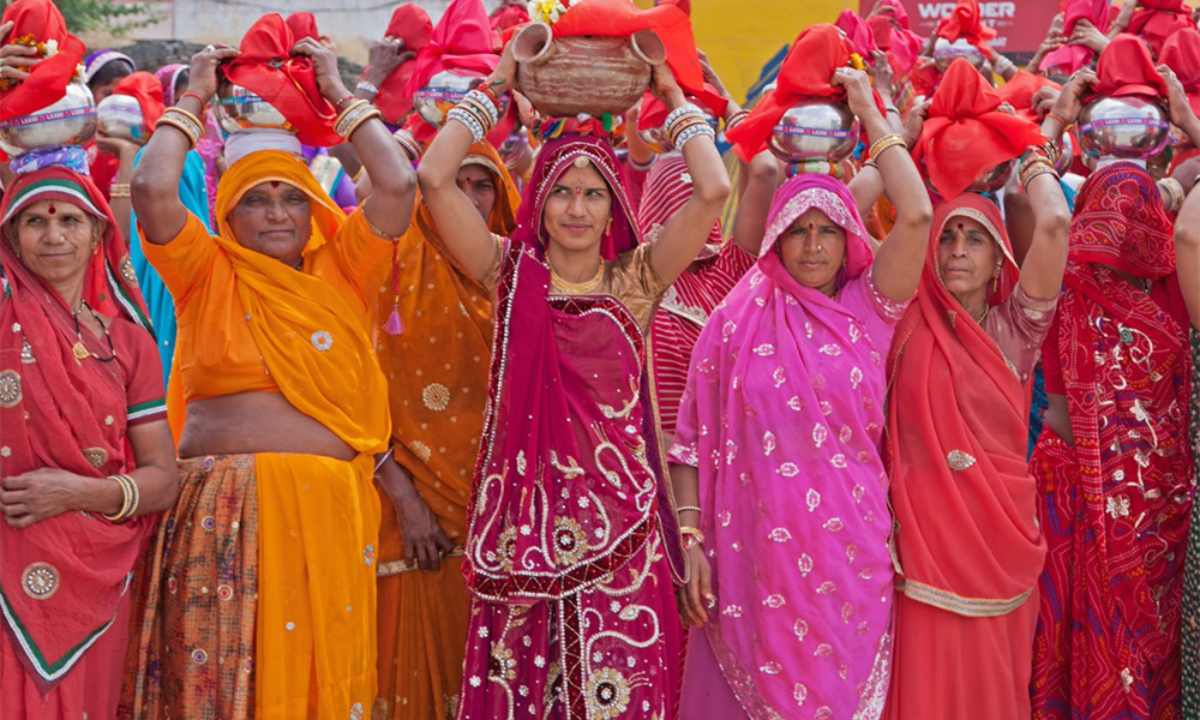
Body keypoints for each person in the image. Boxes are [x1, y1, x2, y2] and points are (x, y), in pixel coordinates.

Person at [417, 38, 730, 717]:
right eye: (561, 192)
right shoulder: (507, 276)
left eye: (593, 194)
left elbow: (714, 189)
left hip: (625, 530)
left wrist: (669, 95)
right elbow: (434, 179)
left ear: (614, 207)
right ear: (539, 204)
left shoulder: (636, 282)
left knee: (618, 696)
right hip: (521, 535)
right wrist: (498, 80)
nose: (578, 210)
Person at [121, 37, 416, 719]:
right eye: (258, 200)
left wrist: (341, 93)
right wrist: (193, 95)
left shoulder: (344, 273)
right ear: (228, 211)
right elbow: (151, 188)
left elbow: (398, 183)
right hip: (227, 520)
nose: (279, 213)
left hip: (330, 514)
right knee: (227, 695)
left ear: (316, 206)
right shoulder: (208, 273)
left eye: (292, 197)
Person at [669, 64, 933, 717]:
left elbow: (919, 212)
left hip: (849, 558)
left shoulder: (867, 311)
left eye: (827, 230)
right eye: (798, 230)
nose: (813, 244)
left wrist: (872, 116)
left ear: (849, 241)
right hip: (751, 563)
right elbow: (689, 444)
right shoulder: (736, 319)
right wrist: (692, 541)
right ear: (776, 239)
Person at [1031, 57, 1200, 720]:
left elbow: (1034, 204)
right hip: (1151, 523)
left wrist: (1054, 129)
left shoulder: (1063, 291)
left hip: (1110, 525)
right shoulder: (1177, 304)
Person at [883, 157, 1071, 720]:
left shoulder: (1015, 330)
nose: (958, 250)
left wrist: (1037, 149)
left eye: (975, 239)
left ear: (998, 261)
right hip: (920, 554)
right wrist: (893, 134)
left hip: (1000, 545)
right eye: (948, 237)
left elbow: (1056, 223)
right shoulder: (899, 320)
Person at [0, 161, 178, 716]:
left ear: (99, 231)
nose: (54, 236)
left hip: (97, 572)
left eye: (70, 220)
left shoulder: (128, 344)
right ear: (10, 235)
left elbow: (162, 478)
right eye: (34, 222)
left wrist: (76, 494)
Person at [372, 139, 520, 720]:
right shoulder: (390, 272)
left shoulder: (522, 281)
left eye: (483, 184)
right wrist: (407, 502)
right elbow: (351, 403)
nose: (469, 197)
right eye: (456, 183)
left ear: (504, 195)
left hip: (505, 527)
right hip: (414, 523)